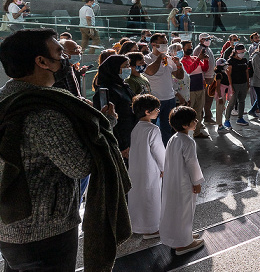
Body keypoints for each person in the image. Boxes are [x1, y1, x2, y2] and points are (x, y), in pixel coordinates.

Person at [0, 28, 130, 272]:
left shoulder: (7, 98)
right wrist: (105, 124)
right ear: (41, 62)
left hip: (10, 225)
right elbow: (79, 165)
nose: (65, 60)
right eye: (59, 53)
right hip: (44, 232)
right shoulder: (43, 112)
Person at [159, 106, 205, 255]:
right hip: (185, 183)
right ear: (185, 125)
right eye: (194, 120)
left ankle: (181, 236)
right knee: (185, 211)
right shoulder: (188, 142)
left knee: (175, 210)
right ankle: (183, 244)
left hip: (172, 181)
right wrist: (197, 182)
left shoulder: (174, 138)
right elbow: (192, 164)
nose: (197, 121)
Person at [127, 94, 165, 239]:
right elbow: (159, 152)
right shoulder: (152, 129)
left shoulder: (136, 128)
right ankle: (151, 229)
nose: (158, 111)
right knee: (151, 197)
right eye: (156, 109)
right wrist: (164, 168)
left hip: (136, 169)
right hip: (150, 169)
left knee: (138, 198)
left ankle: (139, 226)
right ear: (147, 112)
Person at [92, 54, 137, 164]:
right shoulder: (106, 90)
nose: (128, 69)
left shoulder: (123, 85)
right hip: (120, 141)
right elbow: (108, 120)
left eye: (128, 65)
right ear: (114, 68)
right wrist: (122, 145)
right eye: (125, 66)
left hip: (131, 135)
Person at [144, 33, 185, 146]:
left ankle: (166, 149)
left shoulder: (169, 59)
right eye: (162, 43)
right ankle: (151, 148)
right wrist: (159, 58)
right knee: (152, 128)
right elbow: (150, 72)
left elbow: (179, 76)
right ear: (153, 44)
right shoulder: (147, 58)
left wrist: (179, 65)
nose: (165, 45)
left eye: (166, 43)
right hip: (154, 99)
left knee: (167, 128)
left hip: (170, 98)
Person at [181, 40, 210, 138]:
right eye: (188, 46)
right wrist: (199, 59)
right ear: (183, 48)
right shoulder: (182, 60)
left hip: (200, 87)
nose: (190, 48)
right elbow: (188, 70)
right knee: (189, 111)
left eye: (191, 46)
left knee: (198, 110)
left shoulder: (194, 58)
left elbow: (204, 68)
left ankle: (196, 132)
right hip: (190, 89)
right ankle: (187, 133)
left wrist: (205, 60)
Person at [225, 44, 250, 127]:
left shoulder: (244, 60)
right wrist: (231, 86)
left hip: (243, 83)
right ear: (236, 52)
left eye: (243, 52)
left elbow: (246, 72)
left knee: (242, 101)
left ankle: (240, 118)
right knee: (231, 103)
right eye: (241, 52)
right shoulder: (231, 61)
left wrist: (248, 83)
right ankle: (227, 120)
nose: (242, 54)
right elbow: (229, 74)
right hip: (235, 84)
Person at [194, 33, 216, 124]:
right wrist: (202, 78)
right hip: (204, 78)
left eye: (208, 39)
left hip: (210, 76)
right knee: (202, 100)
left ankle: (208, 116)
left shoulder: (208, 48)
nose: (208, 40)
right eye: (205, 39)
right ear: (201, 40)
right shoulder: (198, 49)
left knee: (209, 97)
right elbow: (197, 65)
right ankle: (200, 120)